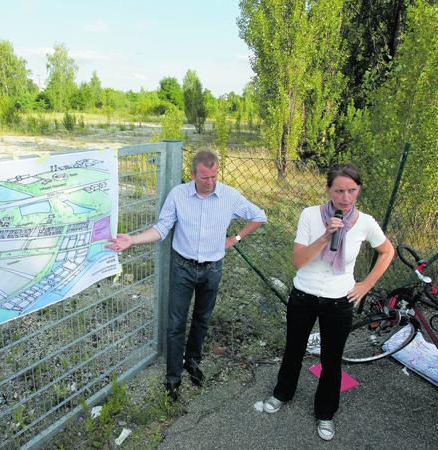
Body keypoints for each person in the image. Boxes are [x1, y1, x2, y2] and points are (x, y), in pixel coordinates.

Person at [107, 150, 267, 401]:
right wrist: (133, 240)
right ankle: (173, 379)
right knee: (175, 323)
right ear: (192, 174)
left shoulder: (229, 196)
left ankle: (192, 362)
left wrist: (234, 238)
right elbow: (161, 229)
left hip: (212, 268)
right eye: (205, 177)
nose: (211, 182)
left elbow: (260, 216)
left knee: (202, 318)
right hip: (182, 267)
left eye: (214, 176)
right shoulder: (178, 195)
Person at [262, 163, 394, 441]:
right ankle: (282, 393)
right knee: (294, 350)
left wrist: (366, 284)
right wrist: (325, 236)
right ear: (328, 190)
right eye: (339, 191)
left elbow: (387, 251)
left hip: (339, 300)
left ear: (358, 190)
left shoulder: (366, 223)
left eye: (352, 191)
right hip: (303, 296)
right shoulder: (310, 216)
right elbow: (298, 261)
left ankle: (325, 412)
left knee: (331, 360)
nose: (345, 198)